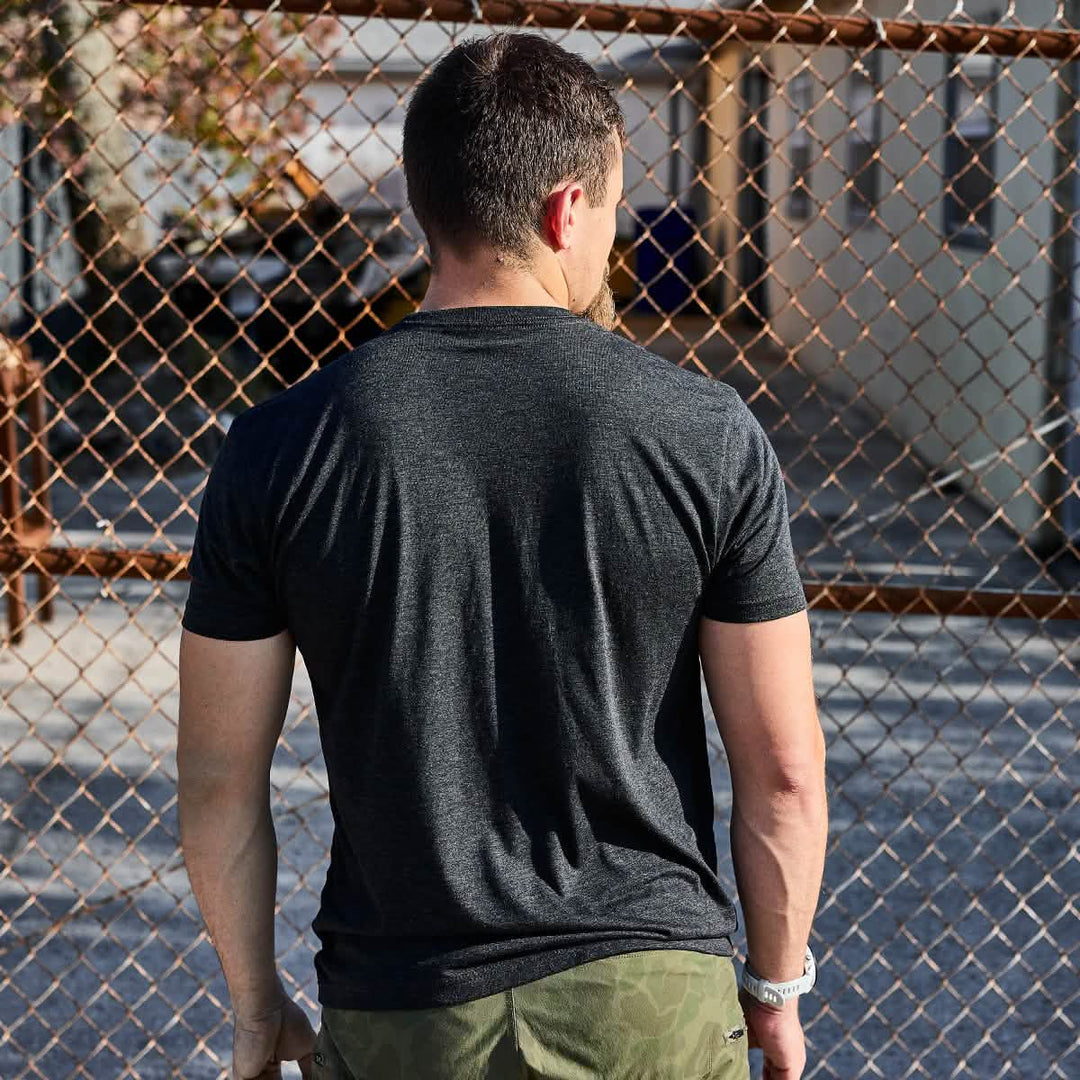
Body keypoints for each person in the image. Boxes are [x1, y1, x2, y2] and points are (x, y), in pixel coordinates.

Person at [177, 30, 828, 1080]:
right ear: (567, 209)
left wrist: (259, 1010)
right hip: (648, 1003)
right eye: (613, 210)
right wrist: (775, 988)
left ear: (425, 203)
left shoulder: (278, 445)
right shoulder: (706, 435)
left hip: (405, 1007)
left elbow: (215, 781)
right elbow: (786, 775)